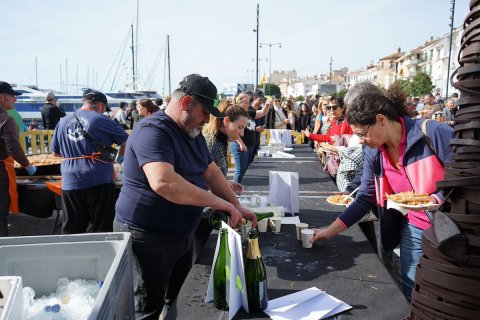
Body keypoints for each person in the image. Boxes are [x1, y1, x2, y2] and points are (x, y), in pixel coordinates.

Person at [113, 74, 257, 319]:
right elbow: (164, 182)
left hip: (179, 234)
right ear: (186, 102)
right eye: (204, 112)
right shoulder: (153, 131)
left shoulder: (193, 132)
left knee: (178, 298)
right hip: (147, 237)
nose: (208, 119)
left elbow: (210, 171)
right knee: (147, 307)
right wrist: (217, 202)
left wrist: (236, 205)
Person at [310, 85, 454, 302]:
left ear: (380, 119)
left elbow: (466, 178)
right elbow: (365, 197)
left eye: (362, 133)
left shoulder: (433, 133)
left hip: (451, 229)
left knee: (450, 292)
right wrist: (328, 232)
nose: (360, 139)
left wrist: (437, 199)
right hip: (414, 227)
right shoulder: (373, 151)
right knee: (412, 287)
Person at [51, 89, 128, 234]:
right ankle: (102, 256)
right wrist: (119, 159)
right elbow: (127, 142)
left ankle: (72, 255)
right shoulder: (101, 119)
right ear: (100, 106)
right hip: (98, 179)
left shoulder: (63, 122)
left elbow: (56, 152)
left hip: (70, 181)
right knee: (102, 227)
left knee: (72, 229)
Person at [0, 81, 36, 236]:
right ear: (2, 98)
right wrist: (28, 166)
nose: (15, 100)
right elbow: (13, 148)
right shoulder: (6, 120)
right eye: (12, 97)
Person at [203, 100, 248, 194]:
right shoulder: (212, 144)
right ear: (226, 121)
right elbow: (203, 184)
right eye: (240, 127)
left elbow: (214, 178)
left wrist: (226, 183)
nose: (242, 134)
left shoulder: (220, 140)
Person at [230, 91, 271, 183]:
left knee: (246, 170)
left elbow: (262, 112)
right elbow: (233, 131)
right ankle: (236, 192)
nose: (248, 104)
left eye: (249, 102)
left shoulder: (249, 112)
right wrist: (241, 144)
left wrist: (267, 105)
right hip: (240, 146)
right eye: (246, 102)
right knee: (241, 171)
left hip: (250, 145)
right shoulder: (235, 113)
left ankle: (242, 190)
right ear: (239, 102)